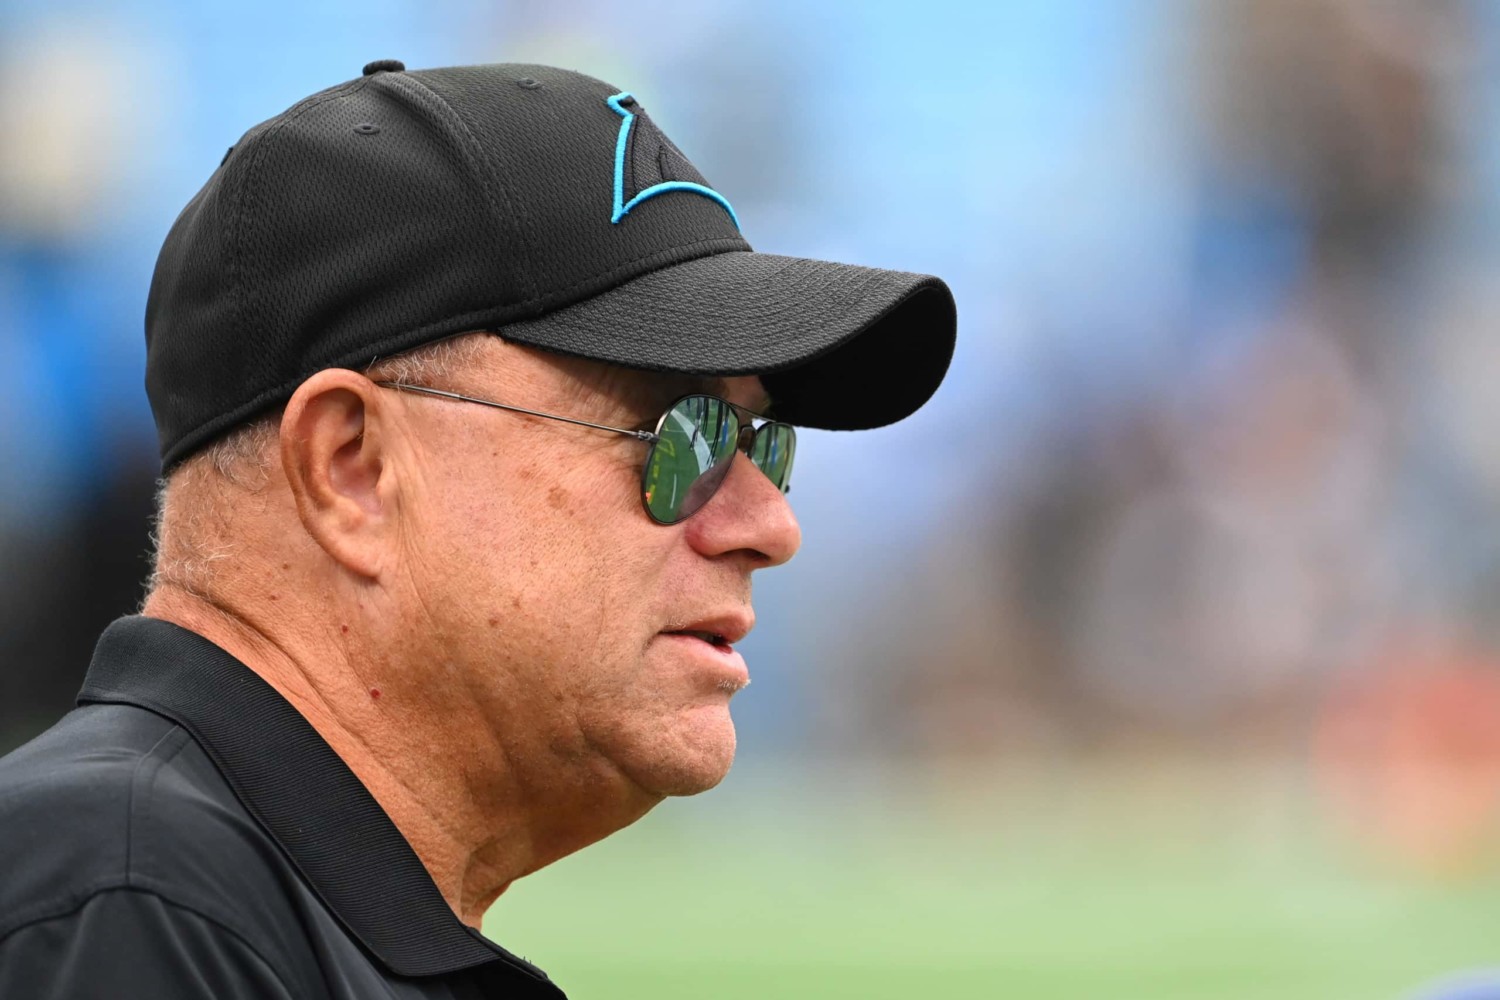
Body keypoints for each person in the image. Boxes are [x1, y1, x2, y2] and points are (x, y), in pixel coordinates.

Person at [0, 60, 956, 998]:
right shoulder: (126, 906)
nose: (770, 524)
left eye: (764, 443)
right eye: (682, 433)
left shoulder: (222, 899)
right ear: (352, 469)